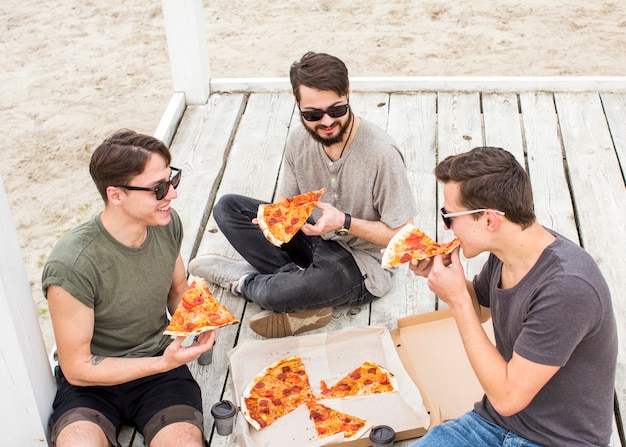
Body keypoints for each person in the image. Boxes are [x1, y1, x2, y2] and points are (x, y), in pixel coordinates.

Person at [189, 51, 417, 338]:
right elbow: (287, 203)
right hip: (313, 234)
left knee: (273, 295)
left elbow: (405, 236)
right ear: (297, 103)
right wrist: (274, 221)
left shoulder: (382, 154)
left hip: (362, 262)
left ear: (348, 94)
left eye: (336, 110)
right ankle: (300, 291)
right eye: (312, 114)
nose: (326, 122)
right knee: (228, 207)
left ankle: (247, 281)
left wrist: (345, 222)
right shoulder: (298, 139)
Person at [409, 146, 617, 446]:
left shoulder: (568, 289)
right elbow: (480, 306)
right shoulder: (507, 251)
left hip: (556, 440)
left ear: (490, 220)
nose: (446, 227)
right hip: (492, 423)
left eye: (449, 216)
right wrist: (436, 273)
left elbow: (508, 397)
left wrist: (456, 301)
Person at [42, 130, 215, 447]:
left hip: (159, 376)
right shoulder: (72, 263)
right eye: (158, 189)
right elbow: (77, 367)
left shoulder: (166, 224)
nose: (172, 195)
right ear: (116, 195)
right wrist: (163, 362)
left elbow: (178, 291)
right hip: (91, 383)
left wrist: (203, 318)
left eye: (172, 180)